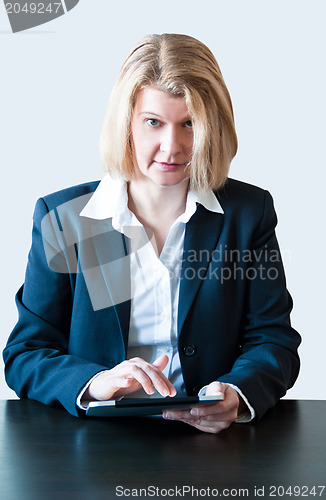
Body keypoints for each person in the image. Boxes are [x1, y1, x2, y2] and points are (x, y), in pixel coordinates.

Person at [3, 33, 301, 434]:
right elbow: (26, 353)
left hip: (210, 447)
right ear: (126, 124)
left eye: (189, 124)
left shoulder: (248, 214)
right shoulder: (65, 218)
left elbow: (274, 340)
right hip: (94, 447)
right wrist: (95, 383)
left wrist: (235, 391)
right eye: (153, 123)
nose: (172, 146)